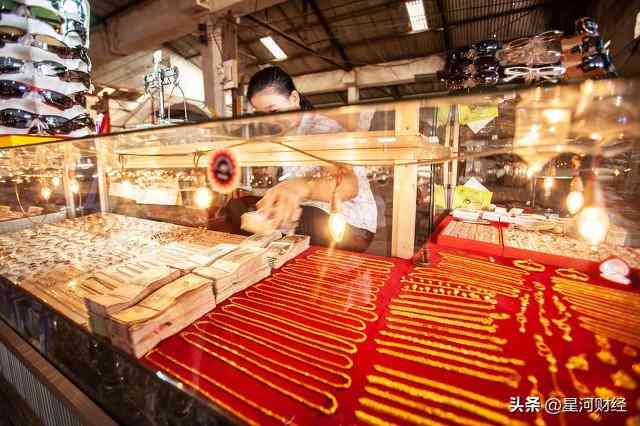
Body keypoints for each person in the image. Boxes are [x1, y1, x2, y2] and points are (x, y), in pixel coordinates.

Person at [224, 66, 377, 252]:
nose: (269, 121)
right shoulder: (288, 135)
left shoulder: (321, 129)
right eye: (261, 115)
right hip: (310, 212)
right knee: (238, 206)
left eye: (273, 111)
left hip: (351, 225)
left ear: (294, 98)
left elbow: (349, 186)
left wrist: (299, 187)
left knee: (293, 220)